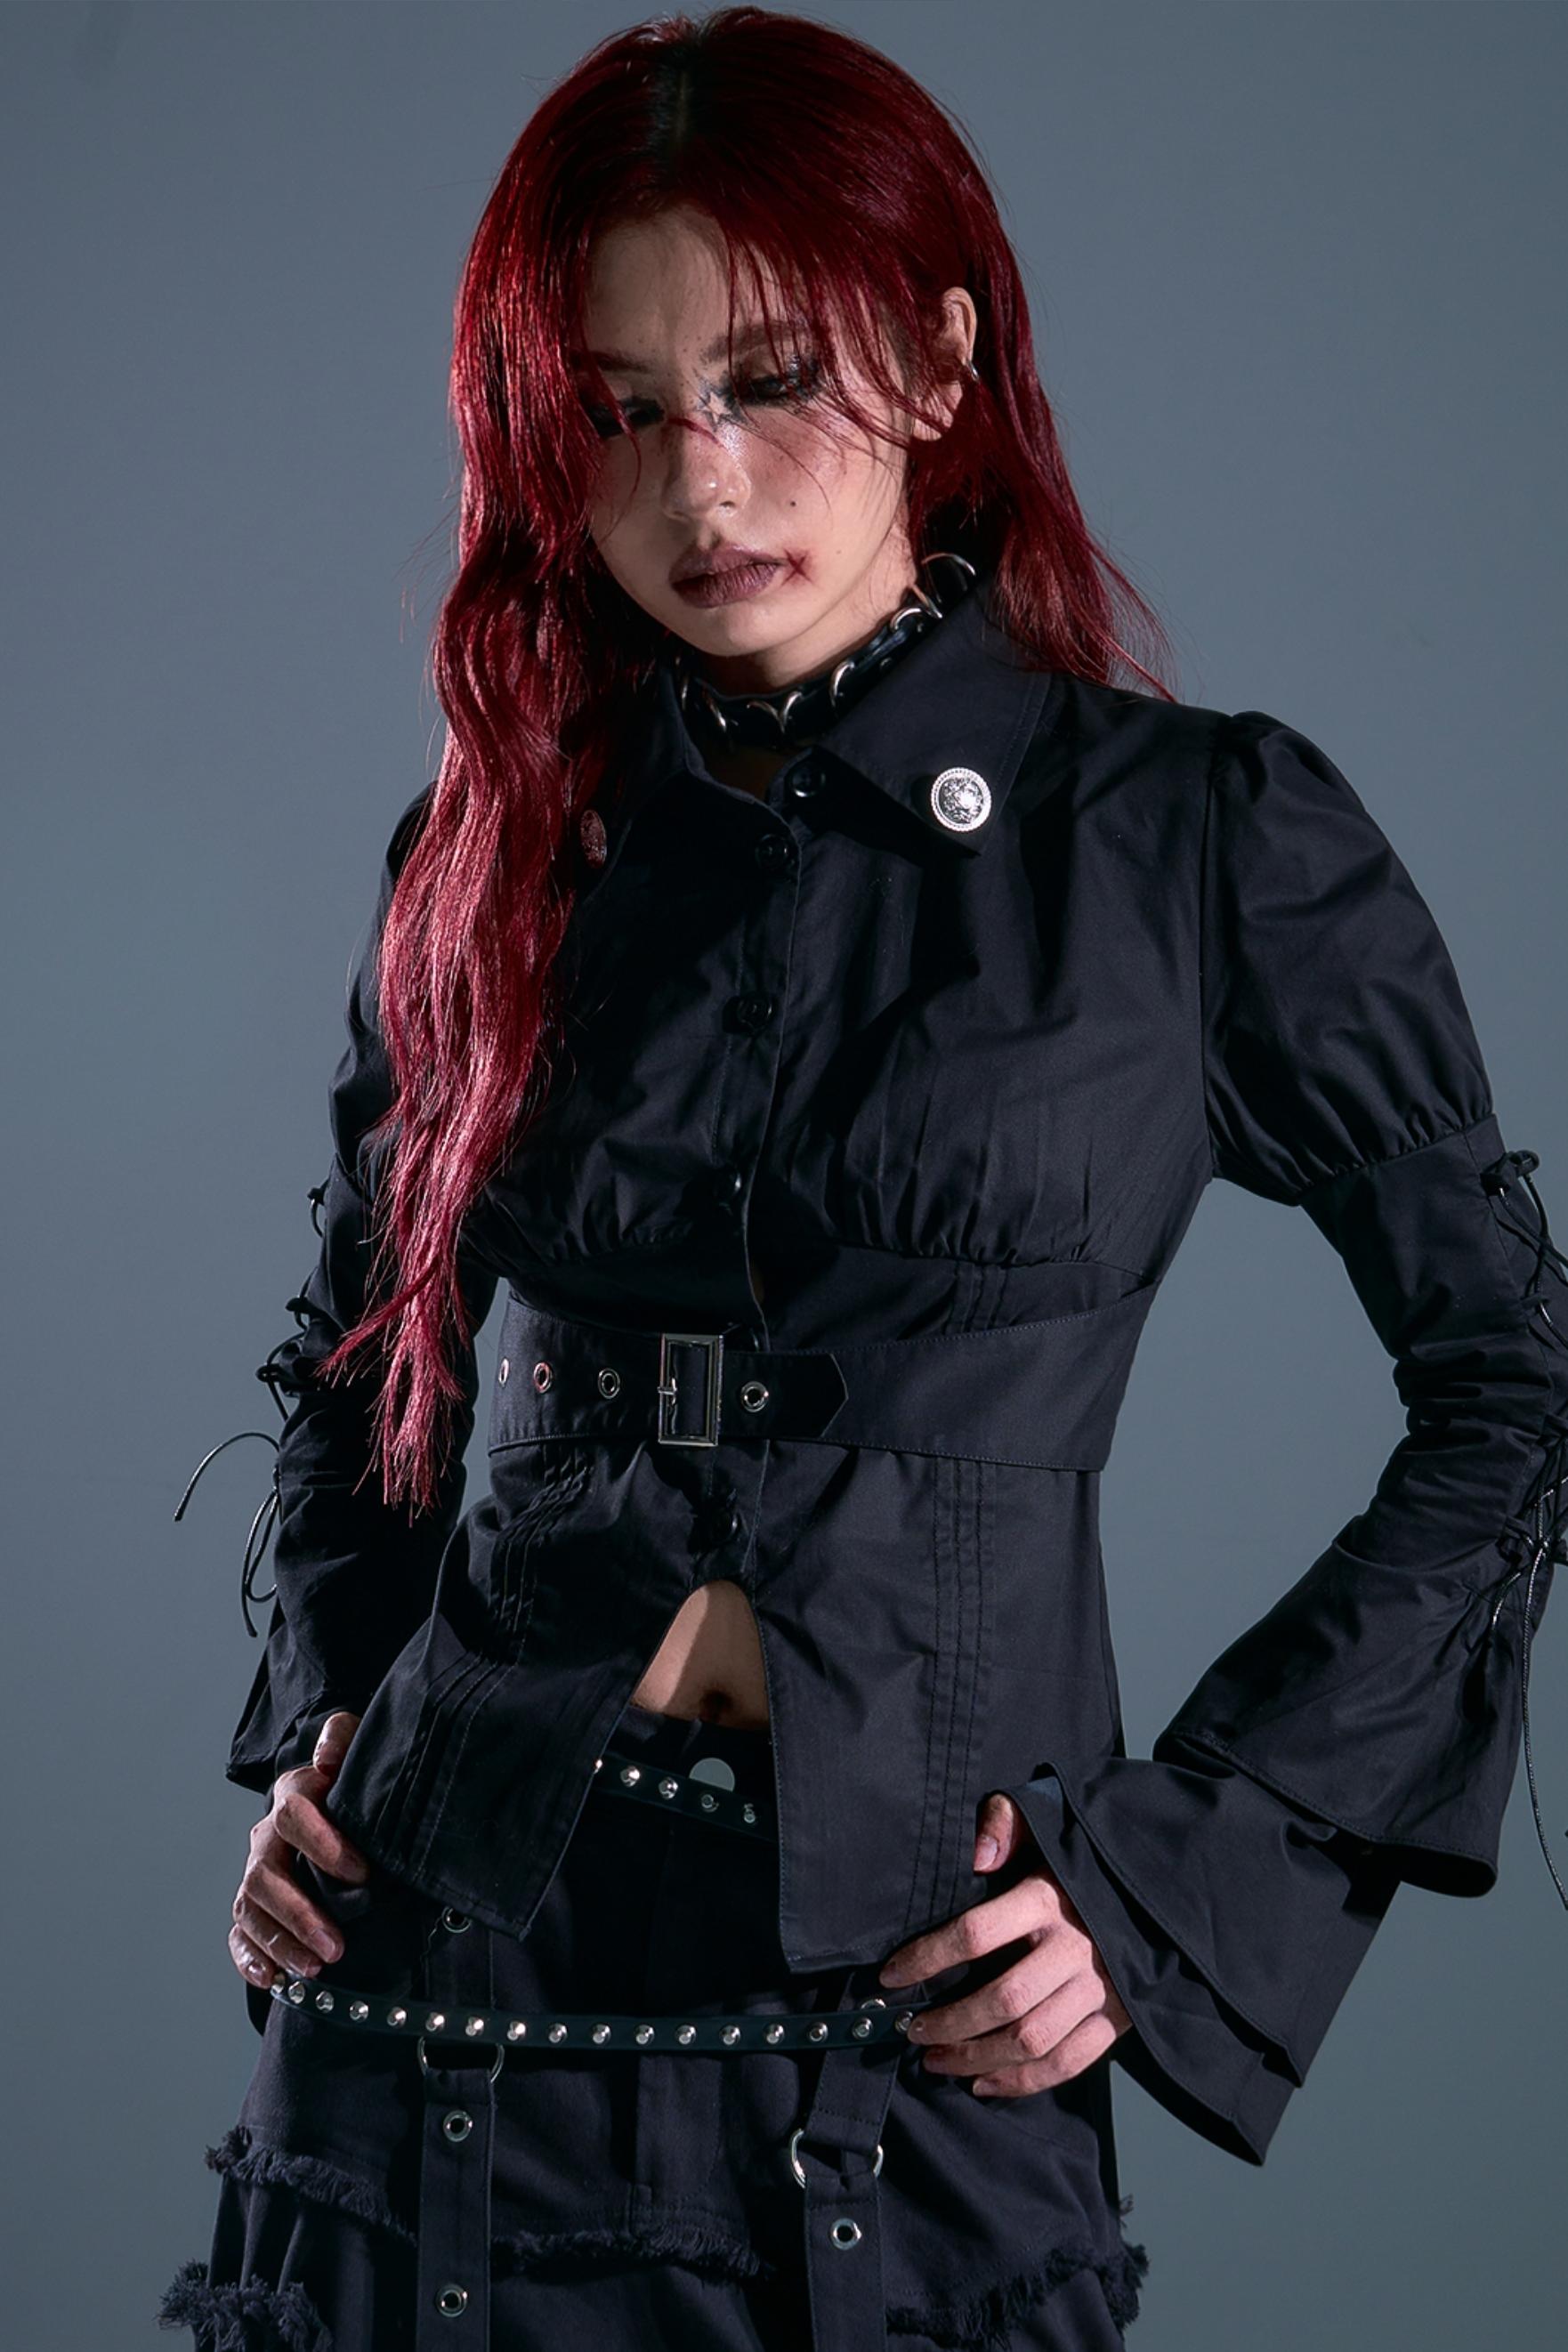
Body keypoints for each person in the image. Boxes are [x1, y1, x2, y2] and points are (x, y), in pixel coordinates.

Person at [158, 10, 1567, 2351]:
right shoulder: (498, 846)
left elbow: (1515, 1378)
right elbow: (360, 1345)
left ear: (935, 355)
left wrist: (1182, 1874)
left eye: (770, 379)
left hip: (906, 2023)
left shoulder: (1197, 842)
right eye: (619, 409)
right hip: (439, 1987)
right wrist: (324, 1709)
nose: (698, 483)